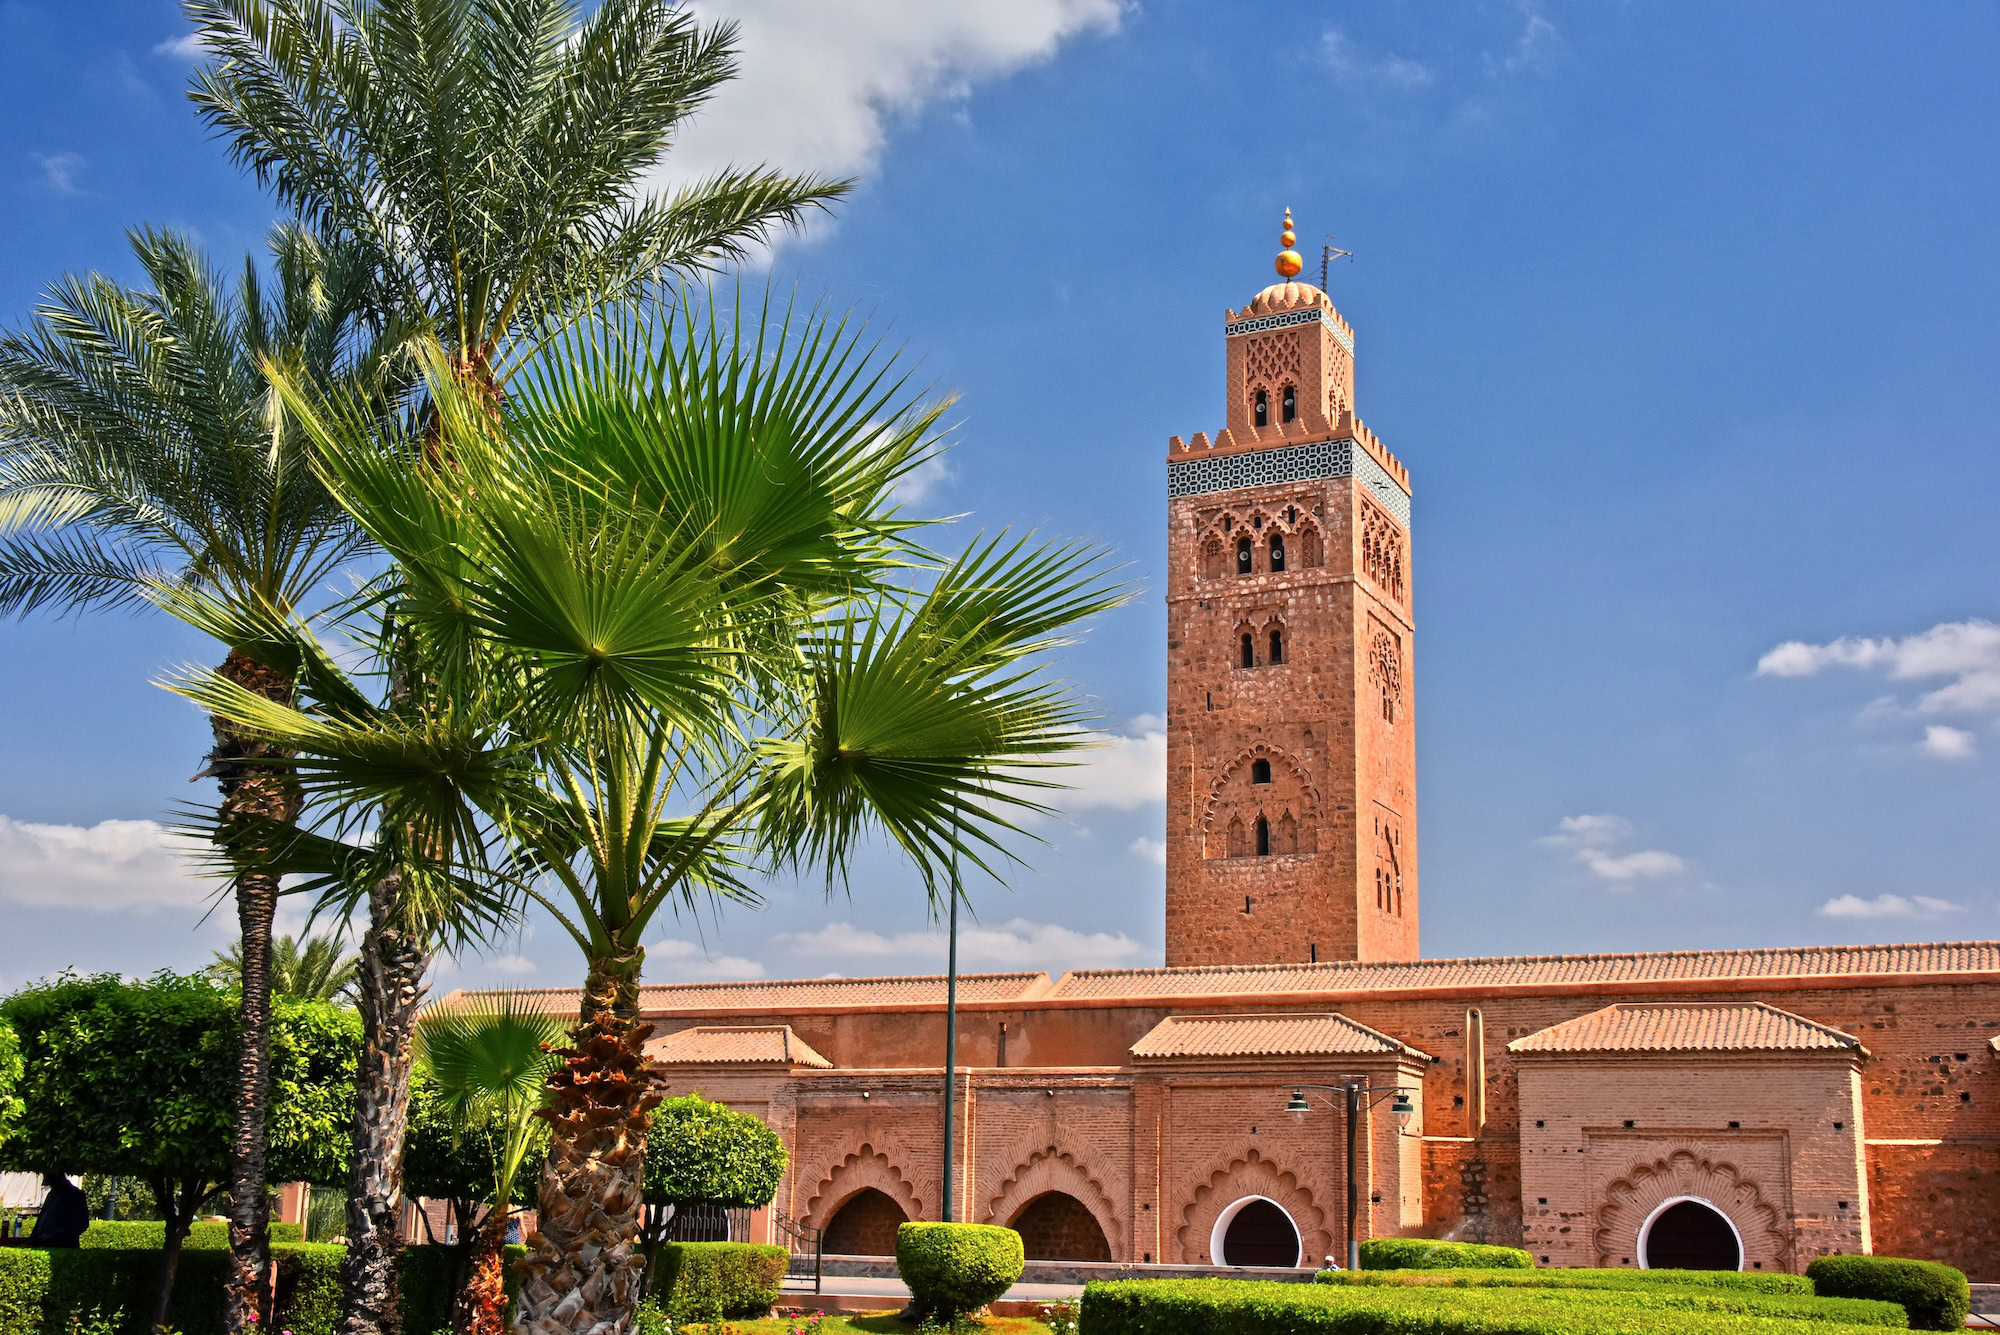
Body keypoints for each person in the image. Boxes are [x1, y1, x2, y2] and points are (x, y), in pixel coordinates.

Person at [27, 1172, 88, 1248]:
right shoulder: (52, 1194)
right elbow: (42, 1219)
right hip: (43, 1243)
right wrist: (34, 1236)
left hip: (62, 1246)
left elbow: (81, 1224)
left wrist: (55, 1236)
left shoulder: (76, 1195)